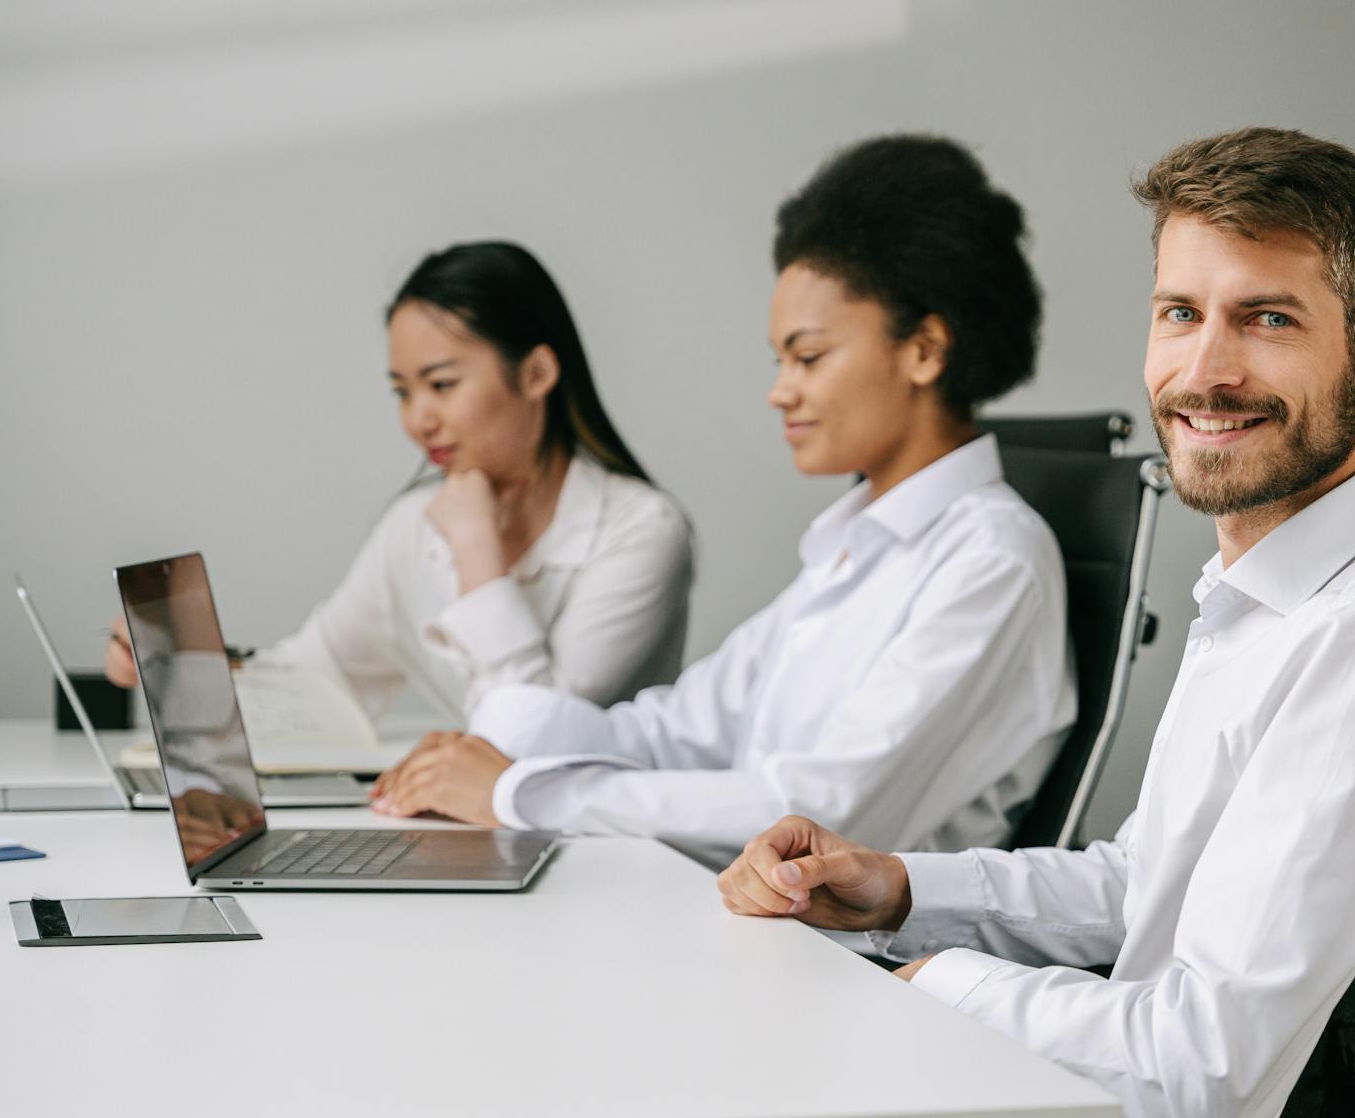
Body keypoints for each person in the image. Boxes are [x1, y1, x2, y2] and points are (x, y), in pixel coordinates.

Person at [716, 128, 1355, 1118]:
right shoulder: (1270, 585)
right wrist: (899, 892)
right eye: (1178, 312)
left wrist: (927, 988)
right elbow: (1146, 883)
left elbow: (1205, 1074)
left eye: (1268, 318)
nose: (1204, 370)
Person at [368, 135, 1077, 872]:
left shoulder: (992, 563)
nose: (780, 390)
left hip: (852, 965)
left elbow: (816, 815)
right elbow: (674, 731)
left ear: (925, 350)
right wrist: (493, 745)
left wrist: (520, 793)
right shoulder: (854, 551)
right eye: (779, 362)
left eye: (808, 357)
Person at [104, 242, 694, 721]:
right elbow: (315, 683)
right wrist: (183, 667)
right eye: (402, 392)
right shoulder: (413, 526)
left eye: (441, 385)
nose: (418, 420)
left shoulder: (643, 530)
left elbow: (532, 738)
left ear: (536, 373)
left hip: (611, 850)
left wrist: (475, 548)